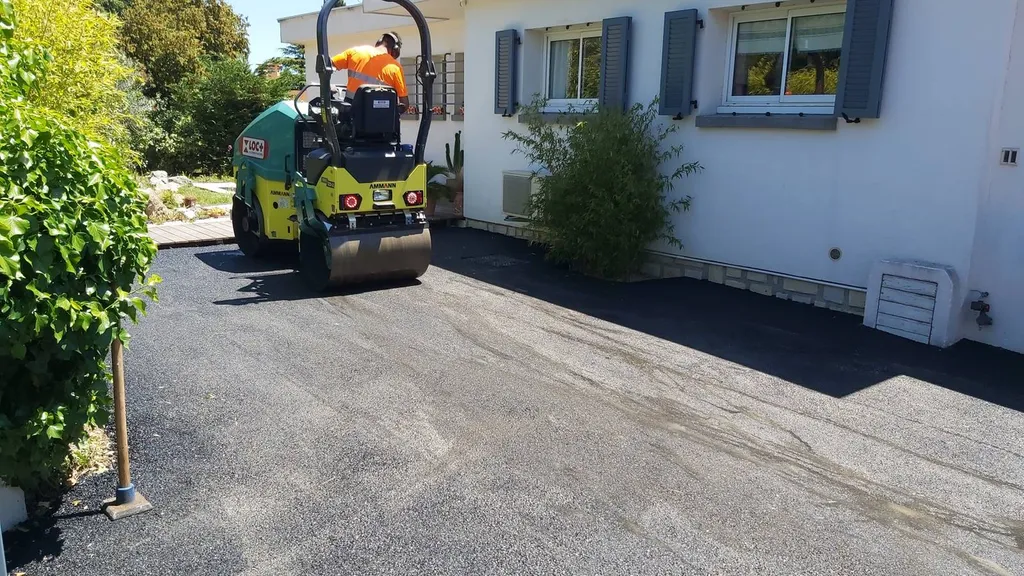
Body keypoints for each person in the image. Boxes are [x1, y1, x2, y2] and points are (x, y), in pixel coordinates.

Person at [331, 31, 410, 113]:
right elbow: (404, 104)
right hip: (377, 119)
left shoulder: (355, 52)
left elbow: (327, 64)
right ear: (395, 50)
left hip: (351, 115)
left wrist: (327, 88)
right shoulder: (395, 67)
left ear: (379, 42)